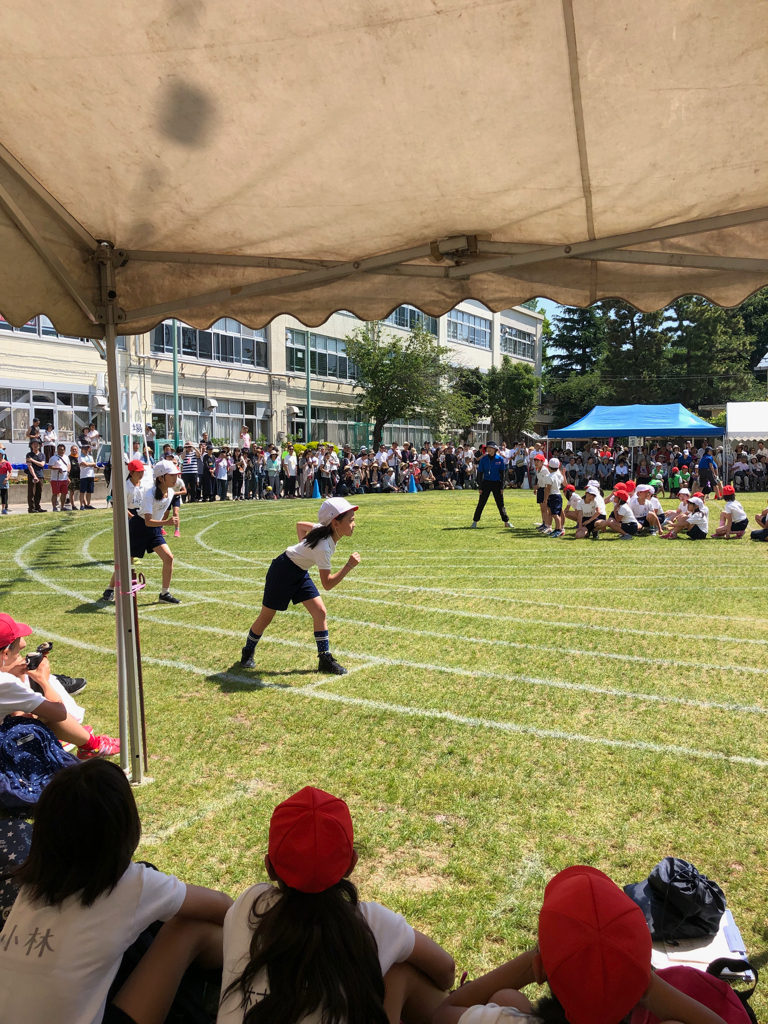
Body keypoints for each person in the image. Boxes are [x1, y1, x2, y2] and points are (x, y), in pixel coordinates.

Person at [0, 759, 232, 1024]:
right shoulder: (129, 884)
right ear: (126, 826)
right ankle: (249, 971)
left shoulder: (31, 887)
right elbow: (224, 907)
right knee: (189, 929)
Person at [217, 785, 455, 1024]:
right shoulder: (371, 923)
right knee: (401, 971)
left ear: (269, 867)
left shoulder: (250, 903)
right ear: (352, 864)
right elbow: (446, 971)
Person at [434, 865, 724, 1024]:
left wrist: (535, 963)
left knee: (506, 998)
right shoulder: (643, 985)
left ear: (540, 968)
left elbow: (445, 1011)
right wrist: (643, 982)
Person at [240, 497, 360, 676]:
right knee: (266, 616)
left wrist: (304, 550)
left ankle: (324, 659)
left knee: (320, 612)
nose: (354, 524)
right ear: (335, 523)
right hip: (282, 572)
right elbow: (327, 584)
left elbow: (300, 526)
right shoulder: (323, 547)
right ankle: (247, 652)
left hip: (299, 571)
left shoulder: (322, 530)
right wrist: (348, 566)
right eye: (350, 520)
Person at [0, 613, 118, 759]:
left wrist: (17, 677)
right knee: (44, 715)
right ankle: (92, 745)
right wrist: (43, 681)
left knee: (35, 713)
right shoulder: (5, 682)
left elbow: (16, 713)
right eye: (18, 653)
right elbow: (58, 713)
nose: (23, 645)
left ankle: (91, 745)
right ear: (5, 653)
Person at [130, 459, 182, 603]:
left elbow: (160, 514)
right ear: (161, 478)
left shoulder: (170, 492)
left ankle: (164, 594)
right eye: (171, 475)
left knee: (168, 558)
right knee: (127, 561)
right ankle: (110, 589)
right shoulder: (149, 494)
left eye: (176, 475)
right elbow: (147, 521)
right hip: (139, 528)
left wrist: (163, 523)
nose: (175, 478)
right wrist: (167, 523)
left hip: (154, 530)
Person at [101, 459, 150, 603]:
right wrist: (132, 518)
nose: (141, 474)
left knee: (129, 558)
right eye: (138, 472)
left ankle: (119, 587)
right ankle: (110, 589)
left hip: (140, 516)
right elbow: (120, 505)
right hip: (129, 518)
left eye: (142, 472)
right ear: (131, 472)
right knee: (126, 558)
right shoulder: (125, 486)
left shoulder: (143, 485)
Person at [471, 442, 513, 529]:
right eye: (488, 448)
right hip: (486, 483)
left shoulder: (500, 459)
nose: (489, 449)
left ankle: (506, 521)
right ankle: (475, 521)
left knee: (500, 504)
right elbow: (480, 474)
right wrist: (480, 487)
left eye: (491, 448)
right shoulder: (483, 459)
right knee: (481, 503)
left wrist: (502, 487)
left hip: (497, 483)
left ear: (495, 449)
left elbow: (502, 474)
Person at [25, 437, 46, 514]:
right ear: (31, 445)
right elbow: (29, 466)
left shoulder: (42, 455)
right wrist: (34, 476)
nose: (35, 445)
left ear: (40, 445)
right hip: (32, 475)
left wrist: (32, 460)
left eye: (37, 444)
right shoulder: (29, 454)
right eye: (34, 444)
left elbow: (42, 464)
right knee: (31, 493)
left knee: (39, 492)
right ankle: (31, 508)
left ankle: (38, 507)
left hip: (40, 475)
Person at [47, 442, 70, 511]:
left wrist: (68, 472)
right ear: (57, 450)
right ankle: (54, 507)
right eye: (59, 449)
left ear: (64, 450)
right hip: (55, 479)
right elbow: (50, 466)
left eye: (62, 449)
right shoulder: (53, 458)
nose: (61, 451)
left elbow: (68, 465)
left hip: (64, 478)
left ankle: (62, 507)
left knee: (64, 493)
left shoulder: (66, 457)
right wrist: (57, 468)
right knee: (55, 493)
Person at [78, 441, 97, 509]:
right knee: (82, 491)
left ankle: (88, 504)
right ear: (82, 449)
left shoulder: (90, 457)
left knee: (89, 491)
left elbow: (93, 464)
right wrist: (92, 464)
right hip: (84, 476)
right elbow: (84, 464)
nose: (86, 450)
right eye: (85, 449)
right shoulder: (80, 457)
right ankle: (81, 505)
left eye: (87, 448)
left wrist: (92, 465)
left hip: (91, 475)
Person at [0, 446, 11, 515]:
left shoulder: (6, 463)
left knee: (3, 494)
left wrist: (7, 478)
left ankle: (3, 509)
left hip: (3, 479)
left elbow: (10, 471)